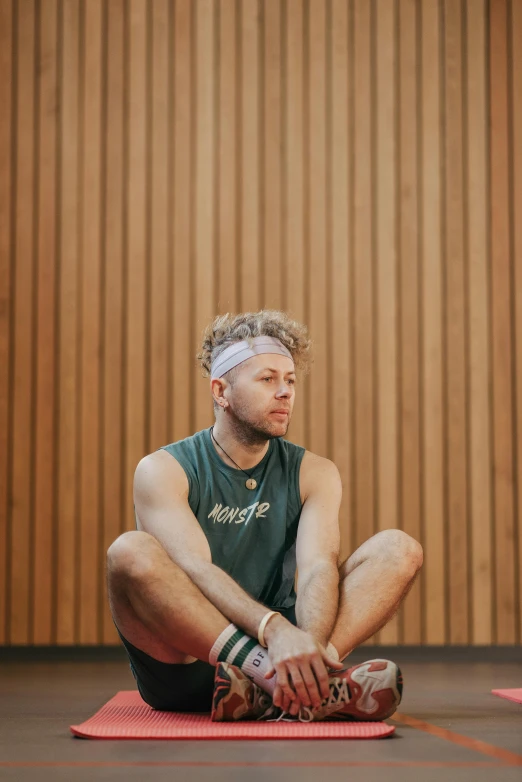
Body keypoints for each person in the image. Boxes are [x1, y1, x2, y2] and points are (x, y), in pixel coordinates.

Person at [107, 310, 423, 722]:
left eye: (290, 380)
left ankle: (303, 679)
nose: (285, 392)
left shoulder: (315, 472)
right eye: (267, 379)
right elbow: (196, 570)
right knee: (129, 552)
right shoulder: (163, 469)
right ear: (220, 391)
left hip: (286, 644)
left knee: (399, 548)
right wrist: (275, 630)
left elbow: (316, 569)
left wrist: (304, 644)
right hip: (188, 660)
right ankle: (288, 682)